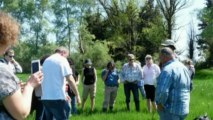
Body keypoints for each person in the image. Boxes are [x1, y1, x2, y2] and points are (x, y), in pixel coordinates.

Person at [0, 11, 43, 120]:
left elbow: (19, 69)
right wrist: (30, 85)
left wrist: (14, 87)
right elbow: (21, 113)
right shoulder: (2, 70)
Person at [41, 47, 81, 120]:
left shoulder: (47, 60)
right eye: (67, 56)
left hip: (45, 97)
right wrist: (77, 95)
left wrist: (64, 94)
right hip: (56, 98)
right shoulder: (62, 59)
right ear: (63, 53)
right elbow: (70, 79)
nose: (66, 58)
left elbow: (52, 80)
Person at [156, 47, 191, 120]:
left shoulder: (167, 69)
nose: (160, 59)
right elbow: (190, 86)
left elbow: (163, 91)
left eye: (160, 57)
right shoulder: (183, 67)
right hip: (184, 108)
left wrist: (160, 104)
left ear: (164, 56)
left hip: (171, 110)